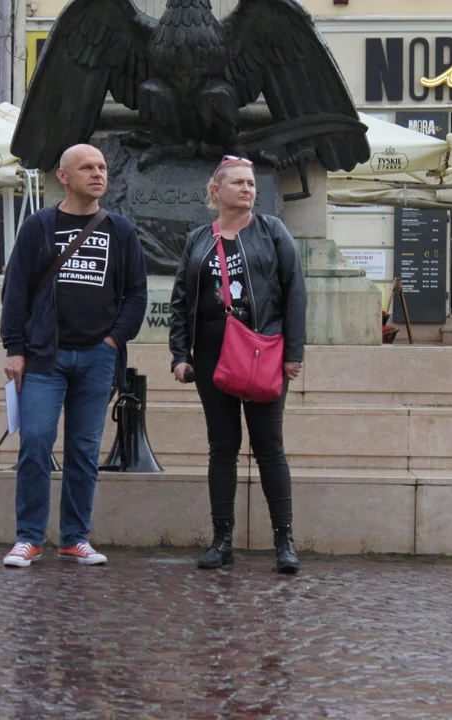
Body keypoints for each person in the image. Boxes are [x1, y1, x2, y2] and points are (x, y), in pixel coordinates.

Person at [0, 143, 147, 568]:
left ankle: (74, 538)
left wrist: (114, 340)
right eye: (87, 168)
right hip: (45, 356)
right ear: (63, 177)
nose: (98, 174)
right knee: (36, 443)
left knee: (84, 451)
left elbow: (136, 293)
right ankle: (28, 537)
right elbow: (16, 293)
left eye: (101, 167)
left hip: (98, 357)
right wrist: (14, 348)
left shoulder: (121, 230)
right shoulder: (38, 227)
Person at [168, 155, 306, 574]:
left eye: (251, 183)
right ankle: (222, 539)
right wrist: (179, 354)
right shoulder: (198, 239)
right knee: (222, 448)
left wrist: (294, 353)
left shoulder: (272, 231)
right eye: (239, 183)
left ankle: (284, 541)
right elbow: (180, 301)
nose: (248, 189)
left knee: (269, 449)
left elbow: (295, 292)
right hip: (211, 357)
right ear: (216, 191)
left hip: (262, 350)